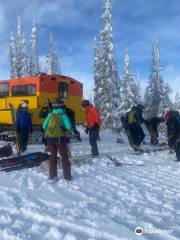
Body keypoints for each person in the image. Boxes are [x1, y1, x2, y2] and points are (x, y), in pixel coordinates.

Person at [42, 98, 72, 180]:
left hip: (50, 140)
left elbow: (43, 126)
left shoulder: (50, 115)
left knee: (53, 157)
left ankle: (52, 176)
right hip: (60, 140)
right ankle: (67, 177)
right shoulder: (63, 115)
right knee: (64, 158)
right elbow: (69, 127)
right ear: (61, 106)